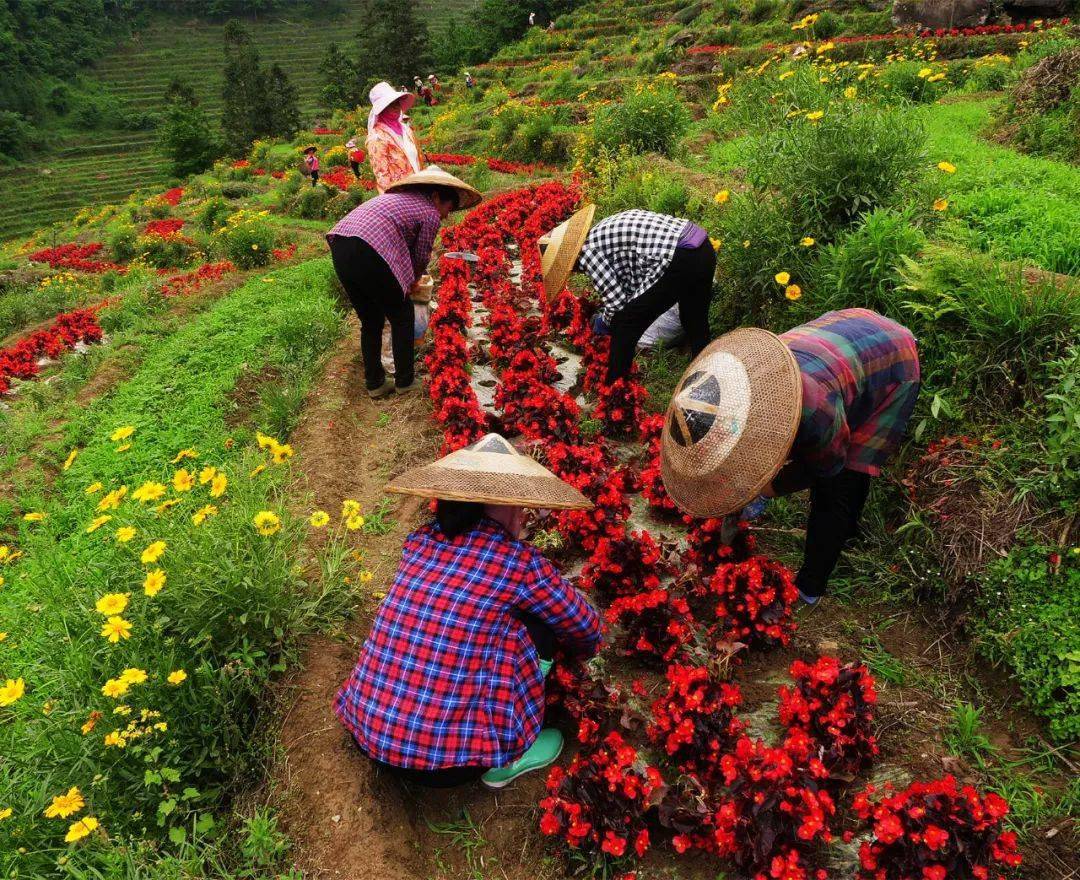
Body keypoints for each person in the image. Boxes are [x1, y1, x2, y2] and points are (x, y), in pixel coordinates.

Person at [335, 433, 603, 789]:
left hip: (368, 734)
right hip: (449, 767)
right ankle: (508, 756)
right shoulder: (517, 563)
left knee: (474, 621)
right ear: (502, 507)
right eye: (518, 504)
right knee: (538, 627)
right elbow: (586, 628)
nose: (522, 513)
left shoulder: (420, 543)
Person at [660, 309, 920, 605]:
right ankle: (848, 530)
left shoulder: (815, 408)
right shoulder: (743, 381)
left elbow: (827, 464)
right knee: (824, 461)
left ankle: (812, 584)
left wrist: (770, 488)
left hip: (892, 359)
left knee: (840, 483)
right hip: (842, 335)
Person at [326, 166, 481, 398]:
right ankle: (405, 381)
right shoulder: (429, 212)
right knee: (402, 315)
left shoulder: (398, 200)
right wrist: (413, 282)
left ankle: (375, 383)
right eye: (449, 208)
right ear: (436, 197)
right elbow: (420, 256)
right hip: (369, 247)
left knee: (371, 319)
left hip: (340, 244)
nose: (447, 215)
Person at [539, 205, 717, 382]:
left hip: (677, 257)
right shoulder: (601, 231)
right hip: (702, 249)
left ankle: (614, 386)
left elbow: (617, 304)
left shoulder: (586, 252)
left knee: (627, 324)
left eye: (569, 270)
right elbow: (631, 286)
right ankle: (704, 375)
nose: (575, 273)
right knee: (694, 319)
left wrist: (604, 322)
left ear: (569, 261)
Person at [366, 81, 427, 194]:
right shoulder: (377, 137)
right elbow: (382, 175)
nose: (395, 106)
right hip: (399, 197)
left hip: (419, 191)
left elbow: (417, 160)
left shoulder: (406, 130)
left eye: (396, 102)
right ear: (382, 108)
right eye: (390, 104)